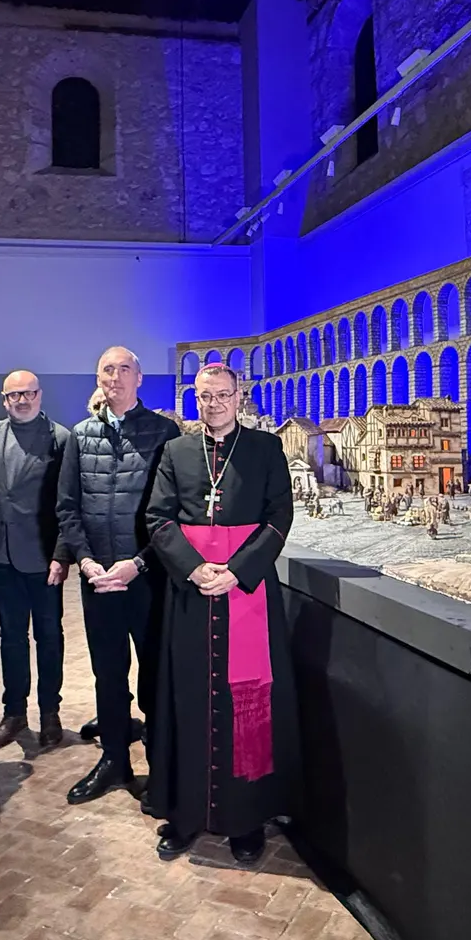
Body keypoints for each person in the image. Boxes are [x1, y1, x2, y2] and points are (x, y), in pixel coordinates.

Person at [144, 364, 299, 864]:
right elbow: (158, 518)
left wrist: (237, 570)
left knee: (246, 702)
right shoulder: (175, 452)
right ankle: (185, 813)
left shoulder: (264, 448)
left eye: (222, 395)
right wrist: (193, 569)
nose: (213, 404)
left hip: (245, 593)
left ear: (239, 397)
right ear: (196, 400)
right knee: (187, 696)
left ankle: (244, 818)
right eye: (204, 396)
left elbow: (280, 517)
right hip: (190, 596)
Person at [56, 346, 180, 805]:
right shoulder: (80, 435)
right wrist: (86, 562)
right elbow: (67, 507)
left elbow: (172, 512)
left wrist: (139, 563)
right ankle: (114, 759)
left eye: (124, 368)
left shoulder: (164, 433)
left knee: (154, 673)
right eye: (107, 369)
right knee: (108, 674)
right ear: (98, 377)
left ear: (140, 377)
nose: (115, 376)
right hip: (98, 580)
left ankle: (163, 764)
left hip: (147, 578)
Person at [0, 371, 74, 752]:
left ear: (39, 395)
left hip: (44, 557)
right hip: (1, 557)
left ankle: (51, 711)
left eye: (28, 393)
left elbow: (68, 504)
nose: (22, 400)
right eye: (14, 394)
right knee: (11, 638)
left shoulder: (62, 439)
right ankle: (13, 712)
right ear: (4, 399)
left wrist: (62, 554)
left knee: (50, 637)